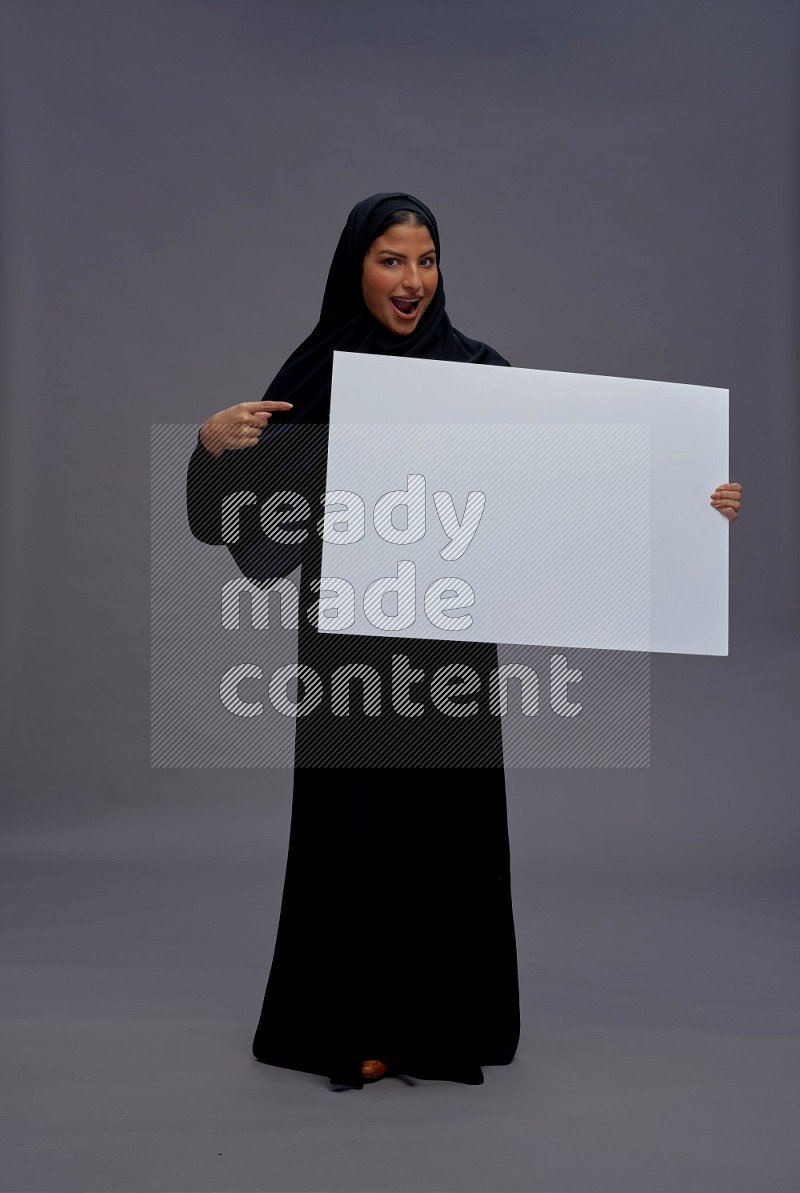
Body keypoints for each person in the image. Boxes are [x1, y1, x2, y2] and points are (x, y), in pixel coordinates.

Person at [186, 192, 743, 1092]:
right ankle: (355, 1024)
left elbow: (572, 487)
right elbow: (240, 521)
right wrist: (213, 446)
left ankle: (441, 1026)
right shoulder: (321, 372)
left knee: (446, 834)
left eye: (426, 260)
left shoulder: (477, 375)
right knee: (357, 833)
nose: (412, 282)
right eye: (391, 260)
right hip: (350, 656)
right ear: (354, 268)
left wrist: (691, 498)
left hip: (450, 654)